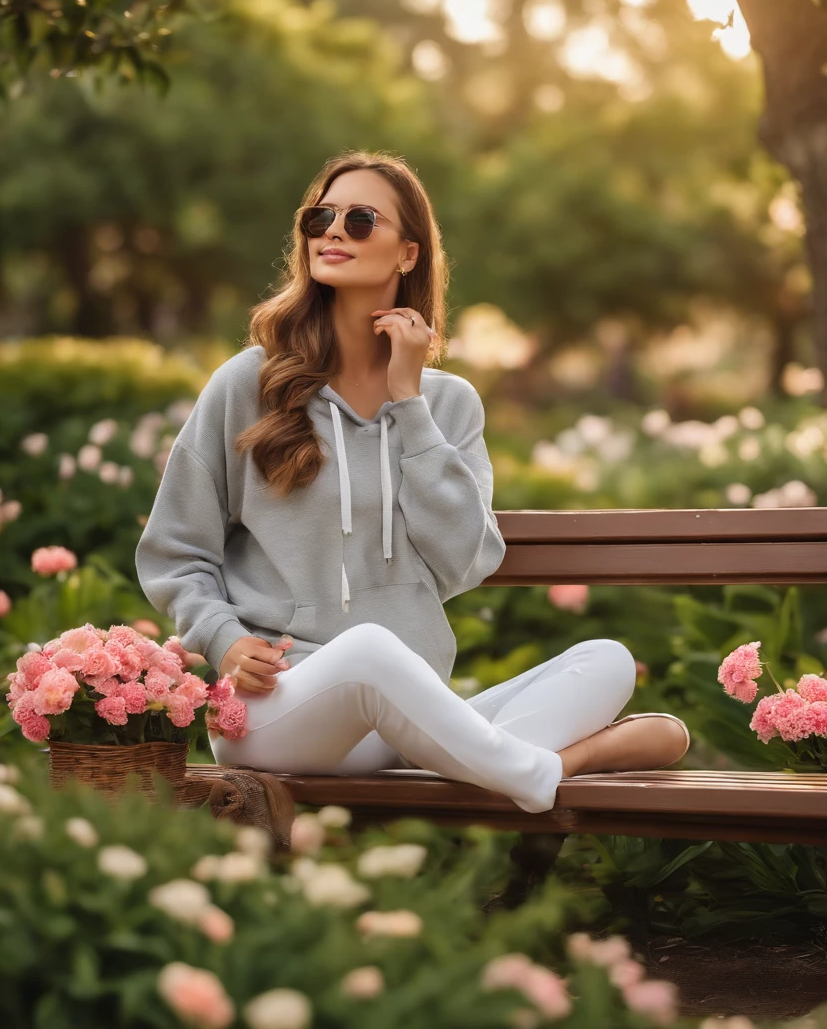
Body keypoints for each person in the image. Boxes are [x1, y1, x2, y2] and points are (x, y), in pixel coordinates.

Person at [135, 150, 689, 813]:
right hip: (277, 706)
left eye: (361, 220)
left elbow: (466, 558)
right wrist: (223, 638)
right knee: (369, 649)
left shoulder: (448, 405)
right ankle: (547, 771)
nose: (332, 232)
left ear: (407, 254)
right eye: (320, 217)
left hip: (399, 717)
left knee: (605, 659)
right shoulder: (247, 384)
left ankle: (513, 763)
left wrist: (408, 404)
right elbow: (175, 550)